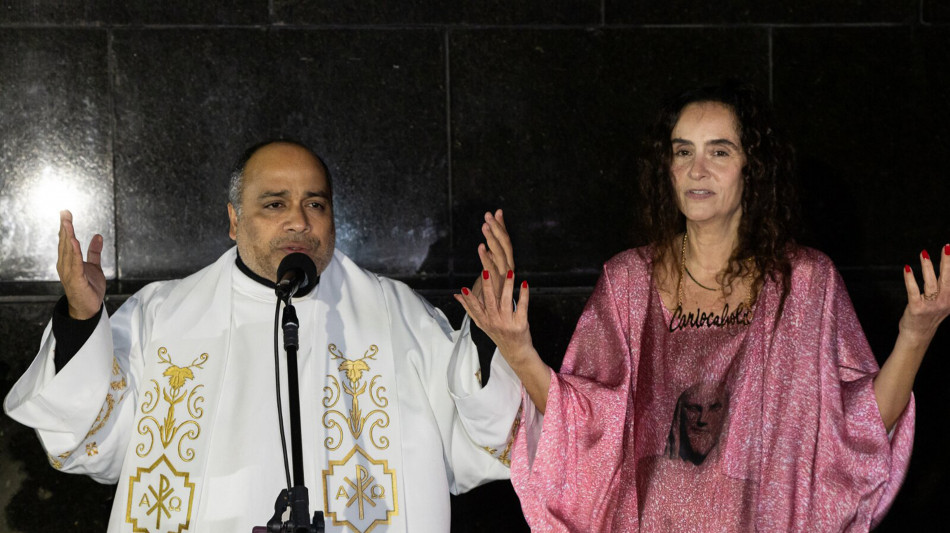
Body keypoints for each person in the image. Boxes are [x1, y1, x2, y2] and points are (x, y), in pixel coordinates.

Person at [456, 81, 950, 531]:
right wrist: (518, 350)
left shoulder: (805, 283)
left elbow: (859, 428)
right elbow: (583, 426)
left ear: (752, 168)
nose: (697, 170)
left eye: (719, 151)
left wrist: (916, 334)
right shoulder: (628, 281)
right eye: (683, 151)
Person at [4, 140, 523, 533]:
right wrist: (81, 316)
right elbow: (88, 439)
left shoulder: (395, 316)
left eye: (315, 204)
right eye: (275, 204)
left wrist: (487, 335)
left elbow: (480, 440)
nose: (299, 221)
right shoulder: (163, 316)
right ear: (234, 220)